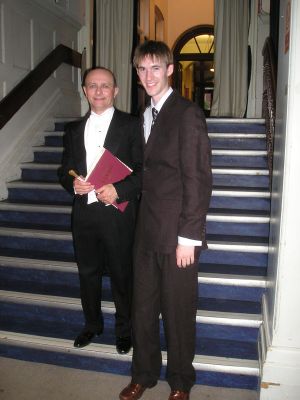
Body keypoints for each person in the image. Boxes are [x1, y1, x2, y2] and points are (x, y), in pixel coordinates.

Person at [119, 41, 212, 400]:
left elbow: (198, 177)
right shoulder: (144, 115)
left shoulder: (187, 113)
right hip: (146, 231)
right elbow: (147, 174)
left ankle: (180, 382)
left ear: (170, 69)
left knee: (177, 311)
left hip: (177, 234)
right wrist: (117, 189)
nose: (148, 76)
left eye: (155, 68)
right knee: (142, 309)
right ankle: (142, 374)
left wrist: (189, 236)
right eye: (141, 69)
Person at [58, 67, 143, 355]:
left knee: (122, 274)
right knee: (88, 274)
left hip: (118, 213)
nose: (98, 91)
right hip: (84, 214)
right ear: (84, 90)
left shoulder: (132, 125)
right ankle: (92, 325)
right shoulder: (72, 130)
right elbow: (63, 170)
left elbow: (144, 170)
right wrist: (73, 183)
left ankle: (124, 330)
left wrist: (119, 189)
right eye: (92, 85)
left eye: (104, 85)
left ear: (115, 91)